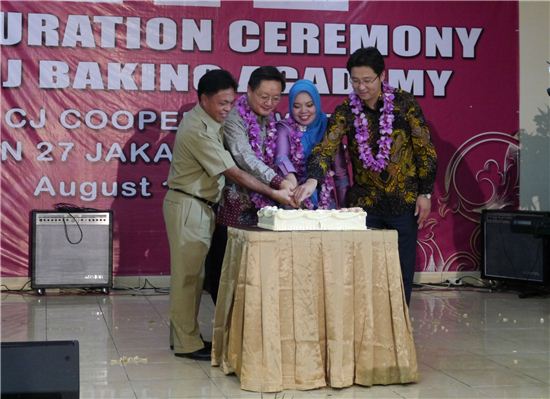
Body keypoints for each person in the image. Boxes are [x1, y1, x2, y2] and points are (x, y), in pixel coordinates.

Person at [163, 69, 293, 361]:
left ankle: (183, 337)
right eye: (222, 103)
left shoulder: (211, 121)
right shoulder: (198, 129)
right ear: (204, 99)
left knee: (194, 277)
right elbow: (233, 170)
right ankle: (187, 344)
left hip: (202, 205)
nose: (227, 109)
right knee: (188, 278)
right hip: (188, 204)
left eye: (230, 103)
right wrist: (274, 190)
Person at [299, 47, 437, 305]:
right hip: (365, 206)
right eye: (355, 80)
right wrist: (313, 179)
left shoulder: (404, 105)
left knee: (400, 272)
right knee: (364, 274)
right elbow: (326, 147)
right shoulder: (346, 111)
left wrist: (424, 192)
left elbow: (425, 149)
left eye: (367, 80)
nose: (361, 87)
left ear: (382, 75)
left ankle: (398, 327)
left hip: (403, 202)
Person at [217, 66, 296, 227]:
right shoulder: (233, 118)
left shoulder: (270, 118)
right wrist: (278, 181)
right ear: (249, 90)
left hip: (265, 206)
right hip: (236, 206)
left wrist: (289, 178)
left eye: (276, 98)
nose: (269, 103)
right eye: (264, 96)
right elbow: (245, 158)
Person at [274, 79, 349, 209]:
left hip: (324, 203)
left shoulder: (329, 127)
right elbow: (281, 158)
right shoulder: (285, 127)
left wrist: (346, 211)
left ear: (317, 103)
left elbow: (340, 173)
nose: (304, 111)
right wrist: (292, 180)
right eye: (297, 106)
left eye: (309, 105)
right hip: (293, 198)